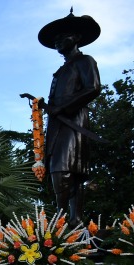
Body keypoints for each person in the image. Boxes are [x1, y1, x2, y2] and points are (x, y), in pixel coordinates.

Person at [37, 10, 102, 227]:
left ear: (76, 38)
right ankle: (67, 220)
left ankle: (67, 220)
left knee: (66, 168)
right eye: (55, 39)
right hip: (57, 124)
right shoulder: (61, 70)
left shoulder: (84, 61)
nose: (57, 41)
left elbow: (93, 88)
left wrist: (63, 107)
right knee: (58, 165)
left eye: (62, 36)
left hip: (74, 121)